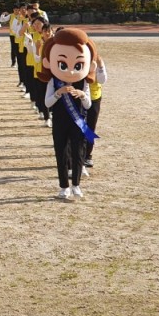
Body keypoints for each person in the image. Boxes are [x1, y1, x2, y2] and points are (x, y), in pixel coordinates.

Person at [40, 28, 98, 200]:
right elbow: (47, 103)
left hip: (78, 120)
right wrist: (59, 93)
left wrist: (82, 95)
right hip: (59, 121)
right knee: (61, 152)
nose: (71, 70)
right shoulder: (53, 80)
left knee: (78, 152)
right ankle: (63, 186)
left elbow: (87, 104)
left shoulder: (82, 81)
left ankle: (76, 185)